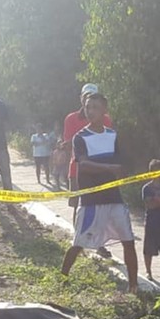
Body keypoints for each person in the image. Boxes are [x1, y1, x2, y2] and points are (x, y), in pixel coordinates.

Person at [60, 94, 138, 292]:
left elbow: (121, 162)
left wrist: (122, 170)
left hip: (114, 199)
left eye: (95, 107)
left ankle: (134, 286)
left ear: (104, 110)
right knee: (78, 243)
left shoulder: (113, 135)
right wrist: (110, 169)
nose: (90, 111)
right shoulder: (80, 137)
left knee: (128, 240)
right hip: (91, 201)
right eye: (88, 107)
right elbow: (83, 165)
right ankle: (62, 278)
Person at [62, 83, 113, 256]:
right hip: (78, 169)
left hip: (99, 171)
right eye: (86, 97)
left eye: (93, 97)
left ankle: (100, 244)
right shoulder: (71, 118)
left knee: (100, 207)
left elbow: (110, 143)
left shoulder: (106, 119)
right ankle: (79, 242)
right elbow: (68, 143)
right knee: (79, 207)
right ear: (81, 99)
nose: (88, 101)